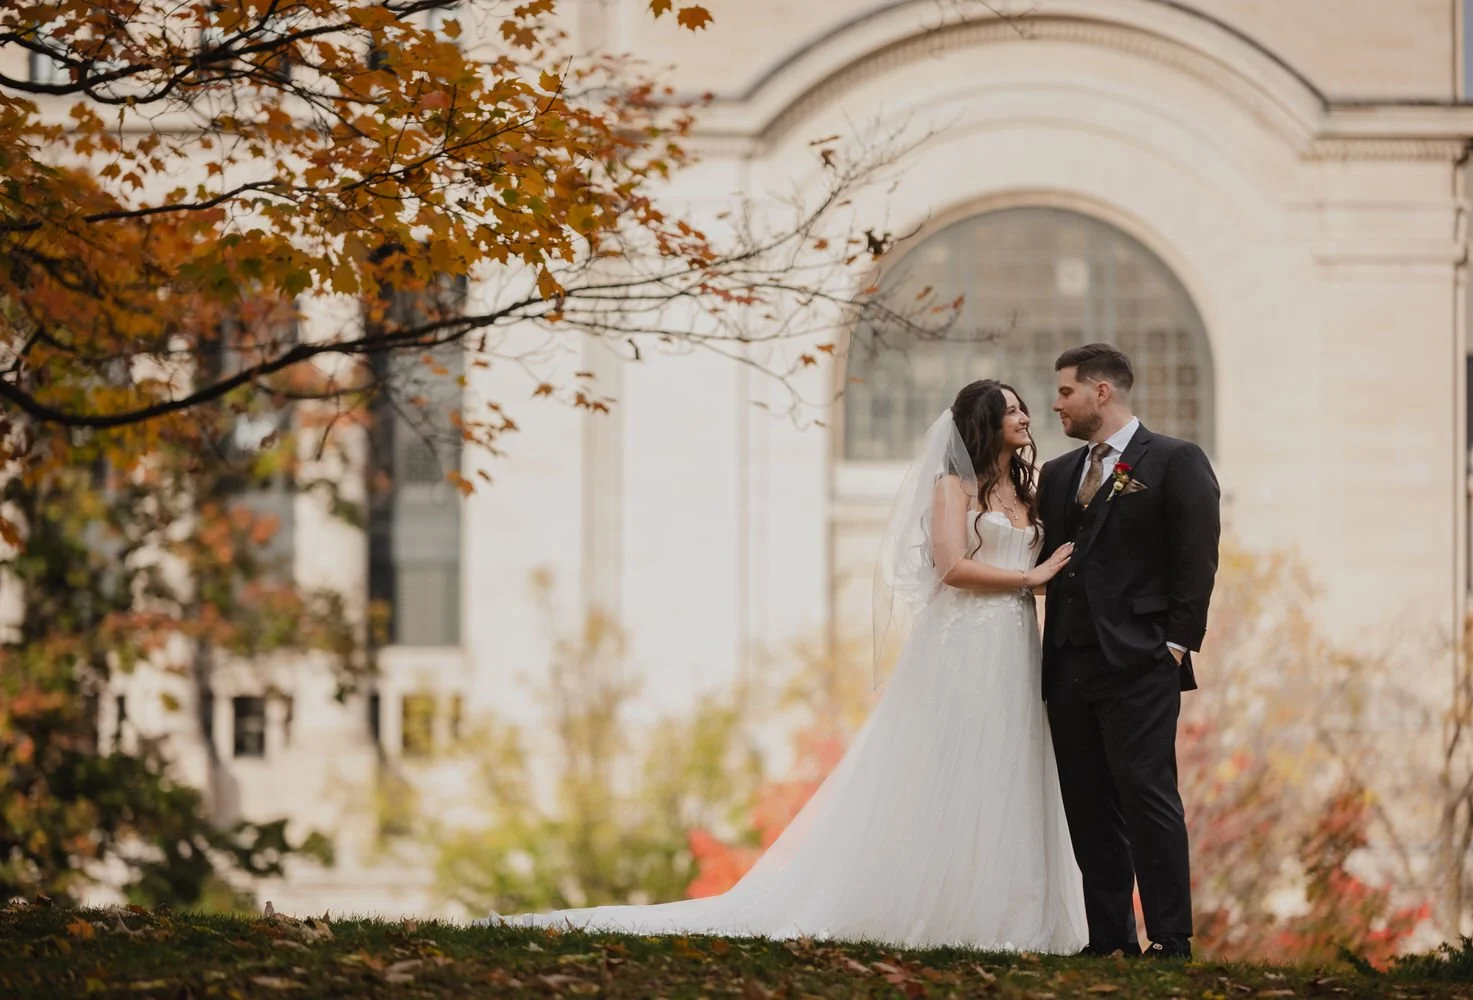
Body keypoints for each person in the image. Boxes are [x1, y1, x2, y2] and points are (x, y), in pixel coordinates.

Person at [475, 378, 1087, 952]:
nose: (1025, 416)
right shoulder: (951, 488)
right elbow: (952, 567)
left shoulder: (1026, 493)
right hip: (961, 643)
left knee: (1009, 761)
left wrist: (1039, 582)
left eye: (1022, 407)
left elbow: (1032, 567)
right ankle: (940, 906)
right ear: (984, 423)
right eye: (1010, 409)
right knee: (957, 765)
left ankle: (1007, 911)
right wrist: (1028, 577)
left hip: (1012, 640)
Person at [1036, 343, 1221, 959]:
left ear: (1101, 392)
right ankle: (1109, 938)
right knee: (1087, 804)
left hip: (1141, 662)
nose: (1055, 403)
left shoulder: (1174, 461)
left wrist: (1174, 646)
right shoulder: (1058, 475)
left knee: (1148, 797)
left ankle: (1170, 937)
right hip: (1067, 664)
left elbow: (1197, 560)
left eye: (1065, 391)